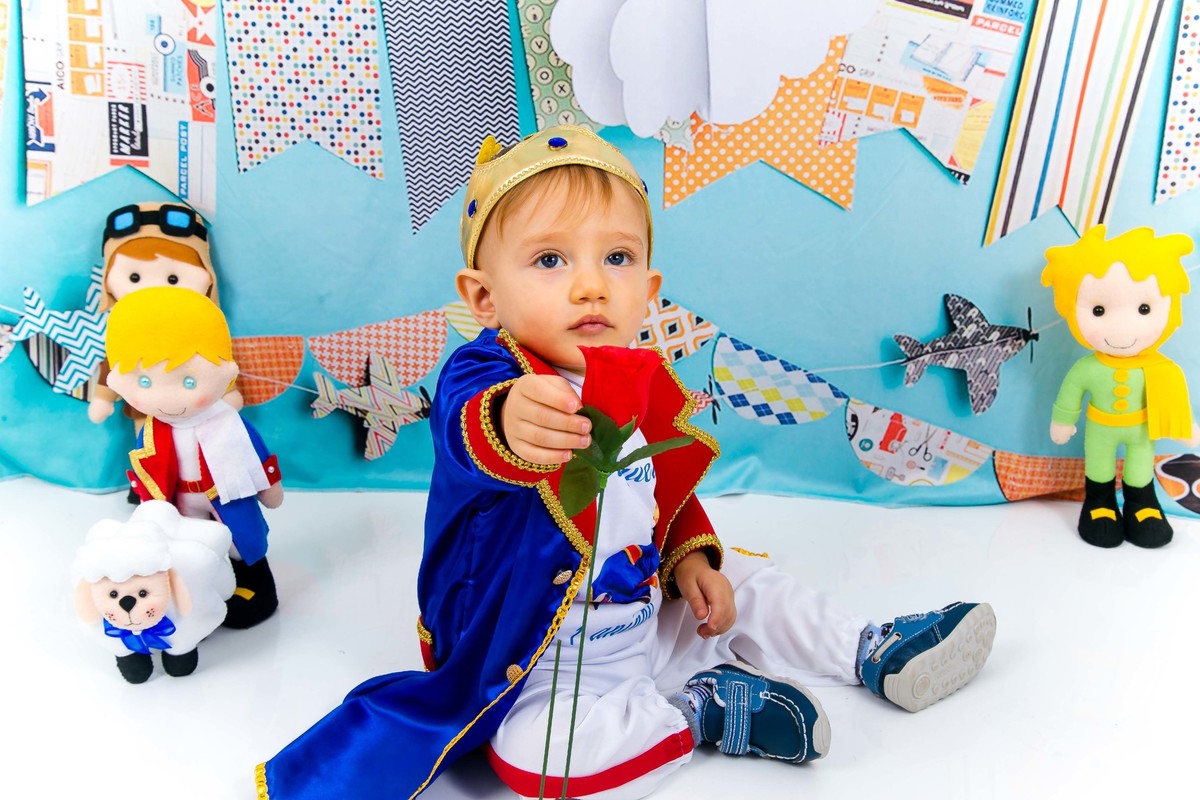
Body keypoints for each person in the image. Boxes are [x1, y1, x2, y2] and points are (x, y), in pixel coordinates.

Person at [258, 126, 996, 800]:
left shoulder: (640, 382)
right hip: (534, 663)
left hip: (644, 618)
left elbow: (659, 493)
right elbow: (465, 432)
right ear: (484, 297)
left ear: (648, 290)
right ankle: (702, 710)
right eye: (550, 260)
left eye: (617, 258)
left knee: (749, 583)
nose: (591, 284)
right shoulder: (486, 374)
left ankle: (869, 648)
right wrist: (508, 419)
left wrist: (690, 559)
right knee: (536, 762)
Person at [104, 286, 282, 629]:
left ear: (224, 372)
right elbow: (144, 465)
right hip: (178, 500)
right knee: (187, 547)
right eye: (144, 382)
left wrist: (269, 488)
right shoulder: (152, 430)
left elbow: (256, 454)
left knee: (242, 542)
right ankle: (198, 593)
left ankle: (256, 588)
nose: (167, 398)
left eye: (188, 382)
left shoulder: (229, 424)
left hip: (227, 495)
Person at [1042, 225, 1199, 548]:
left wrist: (1184, 426)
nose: (1123, 326)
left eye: (1144, 309)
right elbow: (1071, 393)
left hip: (1142, 429)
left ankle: (1142, 505)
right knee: (1098, 466)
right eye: (1098, 310)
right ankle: (1099, 504)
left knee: (1140, 467)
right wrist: (1063, 420)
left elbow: (1172, 400)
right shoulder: (1088, 368)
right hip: (1100, 429)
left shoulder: (1161, 369)